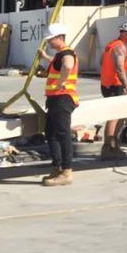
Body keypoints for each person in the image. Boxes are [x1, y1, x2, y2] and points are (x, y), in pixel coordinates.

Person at [41, 24, 79, 186]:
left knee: (62, 135)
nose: (49, 43)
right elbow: (57, 65)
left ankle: (66, 171)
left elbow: (68, 65)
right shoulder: (59, 55)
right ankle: (57, 167)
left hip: (62, 98)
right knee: (51, 133)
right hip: (55, 99)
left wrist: (61, 82)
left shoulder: (66, 53)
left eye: (50, 39)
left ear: (60, 38)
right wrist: (44, 57)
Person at [98, 21, 127, 160]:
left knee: (117, 115)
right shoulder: (120, 48)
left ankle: (111, 146)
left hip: (107, 84)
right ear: (125, 34)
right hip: (115, 85)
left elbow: (101, 62)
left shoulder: (111, 45)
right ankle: (110, 147)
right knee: (115, 116)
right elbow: (119, 69)